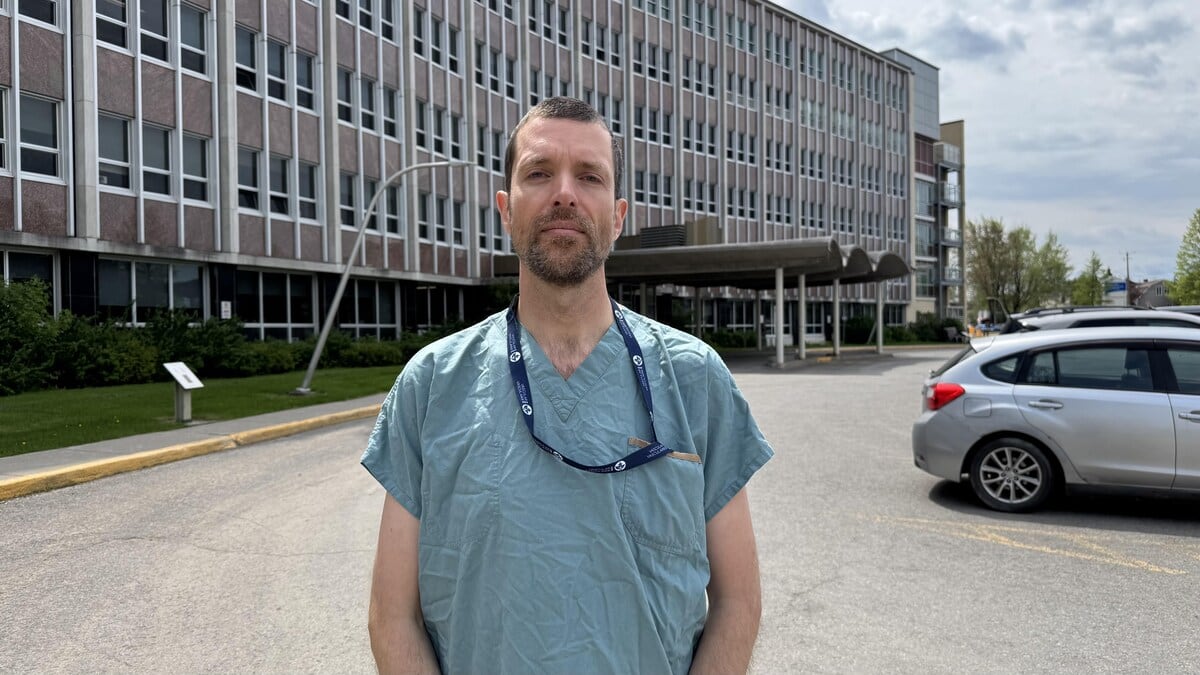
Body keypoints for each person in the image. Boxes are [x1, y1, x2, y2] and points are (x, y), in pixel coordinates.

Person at [362, 97, 774, 674]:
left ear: (618, 216)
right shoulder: (431, 385)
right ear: (506, 210)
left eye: (589, 176)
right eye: (538, 173)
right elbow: (391, 616)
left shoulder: (694, 378)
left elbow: (738, 602)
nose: (564, 193)